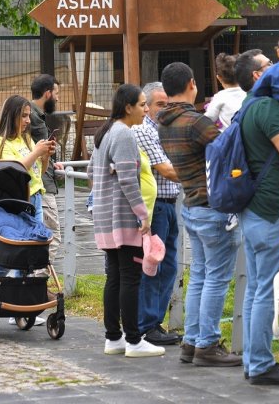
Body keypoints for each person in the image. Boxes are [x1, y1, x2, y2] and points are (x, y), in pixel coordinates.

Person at [156, 62, 241, 367]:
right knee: (216, 278)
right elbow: (228, 146)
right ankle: (207, 344)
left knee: (200, 277)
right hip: (213, 206)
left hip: (191, 204)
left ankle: (191, 341)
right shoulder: (194, 122)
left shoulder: (163, 121)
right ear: (192, 83)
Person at [234, 49, 279, 385]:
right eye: (269, 65)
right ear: (259, 76)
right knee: (264, 291)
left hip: (254, 211)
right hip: (271, 213)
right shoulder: (268, 108)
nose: (275, 68)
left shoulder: (246, 106)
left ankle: (252, 359)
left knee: (257, 288)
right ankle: (260, 363)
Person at [89, 84, 165, 358]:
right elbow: (128, 180)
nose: (146, 110)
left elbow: (91, 171)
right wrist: (142, 215)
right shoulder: (124, 135)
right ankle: (133, 340)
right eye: (143, 105)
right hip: (123, 217)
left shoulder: (106, 131)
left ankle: (114, 337)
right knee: (130, 278)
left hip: (106, 217)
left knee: (115, 277)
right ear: (128, 107)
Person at [133, 82, 183, 346]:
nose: (165, 109)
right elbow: (166, 169)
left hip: (170, 202)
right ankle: (147, 324)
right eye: (159, 105)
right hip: (156, 206)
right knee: (153, 265)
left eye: (168, 104)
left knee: (169, 266)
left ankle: (155, 322)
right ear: (148, 107)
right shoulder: (144, 130)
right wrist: (199, 172)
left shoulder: (164, 130)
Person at [0, 95, 54, 224]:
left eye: (29, 115)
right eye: (24, 116)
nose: (28, 120)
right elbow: (13, 171)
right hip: (19, 202)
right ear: (11, 116)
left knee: (37, 241)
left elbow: (38, 173)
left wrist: (45, 157)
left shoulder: (26, 139)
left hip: (37, 198)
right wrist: (36, 153)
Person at [29, 74, 63, 269]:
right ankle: (36, 281)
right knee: (52, 237)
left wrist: (52, 162)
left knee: (41, 236)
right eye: (56, 93)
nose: (58, 98)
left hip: (43, 180)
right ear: (48, 93)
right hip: (41, 185)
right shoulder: (31, 116)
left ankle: (32, 283)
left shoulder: (35, 116)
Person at [204, 52, 246, 130]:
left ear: (219, 78)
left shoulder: (220, 96)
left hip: (227, 138)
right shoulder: (247, 93)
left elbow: (208, 119)